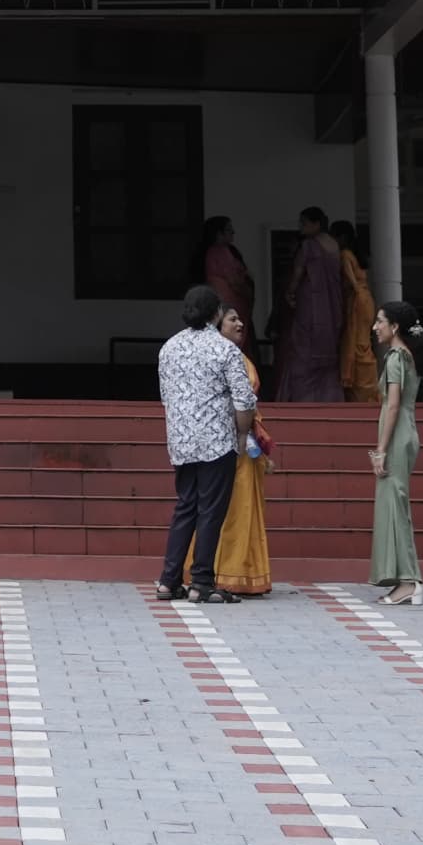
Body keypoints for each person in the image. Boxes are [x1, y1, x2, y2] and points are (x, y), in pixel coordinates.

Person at [154, 282, 257, 604]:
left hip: (182, 441)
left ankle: (168, 581)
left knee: (185, 506)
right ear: (216, 314)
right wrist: (241, 436)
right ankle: (201, 581)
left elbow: (165, 397)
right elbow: (244, 400)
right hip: (216, 441)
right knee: (211, 510)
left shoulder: (169, 347)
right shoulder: (225, 349)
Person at [211, 305, 275, 594]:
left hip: (242, 443)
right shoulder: (222, 357)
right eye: (232, 319)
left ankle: (241, 573)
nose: (240, 323)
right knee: (231, 512)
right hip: (230, 442)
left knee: (243, 511)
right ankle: (225, 573)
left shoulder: (242, 358)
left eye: (240, 319)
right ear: (217, 324)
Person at [368, 298, 423, 605]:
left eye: (380, 321)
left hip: (397, 435)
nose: (375, 327)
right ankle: (405, 579)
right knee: (395, 506)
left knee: (397, 509)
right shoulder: (406, 355)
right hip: (405, 433)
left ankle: (409, 581)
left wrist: (380, 450)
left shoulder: (395, 358)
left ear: (395, 326)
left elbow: (393, 405)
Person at [275, 209, 348, 403]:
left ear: (317, 224)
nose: (301, 227)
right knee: (328, 349)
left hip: (311, 303)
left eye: (304, 223)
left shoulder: (309, 245)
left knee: (303, 349)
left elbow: (298, 272)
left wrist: (290, 293)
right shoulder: (334, 245)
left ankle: (302, 397)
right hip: (332, 306)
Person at [337, 239, 384, 405]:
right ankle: (369, 390)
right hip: (367, 299)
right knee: (364, 343)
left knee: (354, 342)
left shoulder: (345, 255)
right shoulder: (359, 257)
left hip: (357, 299)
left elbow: (351, 280)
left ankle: (360, 389)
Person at [200, 215, 256, 336]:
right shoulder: (220, 252)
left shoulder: (214, 252)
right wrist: (248, 294)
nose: (233, 232)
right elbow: (235, 281)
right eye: (229, 229)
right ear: (219, 233)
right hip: (230, 305)